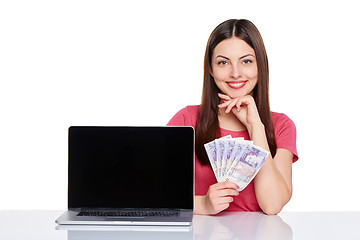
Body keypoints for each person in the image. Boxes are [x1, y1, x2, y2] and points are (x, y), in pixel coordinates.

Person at [167, 19, 298, 215]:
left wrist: (255, 126)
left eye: (246, 61)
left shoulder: (281, 125)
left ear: (260, 66)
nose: (235, 73)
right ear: (210, 69)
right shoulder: (186, 120)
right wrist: (202, 204)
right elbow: (155, 191)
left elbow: (272, 205)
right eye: (223, 62)